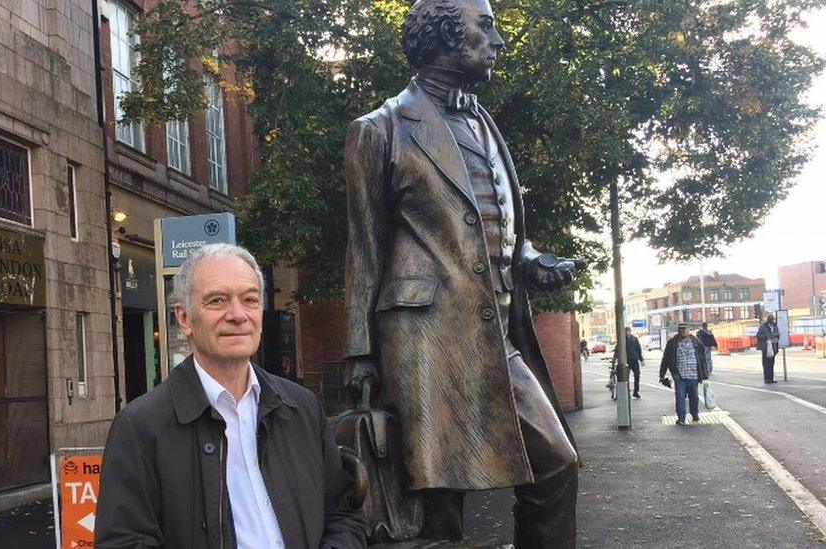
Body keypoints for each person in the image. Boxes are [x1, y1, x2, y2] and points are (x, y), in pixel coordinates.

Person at [342, 0, 579, 544]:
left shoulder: (483, 122)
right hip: (423, 338)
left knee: (557, 465)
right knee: (437, 504)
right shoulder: (380, 129)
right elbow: (364, 246)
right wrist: (359, 353)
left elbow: (492, 225)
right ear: (449, 36)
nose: (496, 42)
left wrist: (530, 260)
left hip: (495, 334)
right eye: (486, 27)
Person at [95, 244, 366, 548]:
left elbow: (343, 514)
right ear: (184, 318)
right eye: (217, 300)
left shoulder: (302, 408)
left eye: (249, 300)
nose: (238, 315)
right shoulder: (140, 427)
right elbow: (124, 541)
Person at [659, 323, 709, 425]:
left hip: (693, 375)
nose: (682, 331)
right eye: (680, 329)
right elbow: (665, 359)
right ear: (678, 331)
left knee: (694, 397)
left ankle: (694, 414)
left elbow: (703, 359)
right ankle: (681, 418)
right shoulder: (672, 343)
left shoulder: (696, 342)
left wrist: (705, 376)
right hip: (679, 376)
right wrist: (662, 374)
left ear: (688, 330)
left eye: (684, 329)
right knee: (680, 397)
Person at [618, 327, 644, 398]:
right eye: (626, 331)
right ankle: (627, 392)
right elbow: (617, 348)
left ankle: (636, 391)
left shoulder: (634, 339)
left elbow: (638, 349)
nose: (627, 333)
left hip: (634, 360)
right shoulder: (622, 339)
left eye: (628, 331)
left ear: (630, 331)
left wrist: (641, 359)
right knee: (626, 377)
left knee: (637, 375)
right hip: (626, 360)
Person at [756, 313, 780, 383]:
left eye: (772, 319)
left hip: (773, 347)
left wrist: (776, 337)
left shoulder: (775, 326)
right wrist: (766, 337)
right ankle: (767, 379)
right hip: (766, 347)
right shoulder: (763, 327)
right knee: (766, 364)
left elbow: (778, 335)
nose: (772, 321)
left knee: (772, 363)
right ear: (768, 320)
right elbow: (758, 336)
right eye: (771, 319)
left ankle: (771, 378)